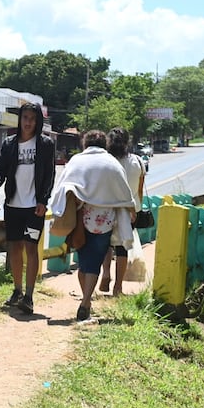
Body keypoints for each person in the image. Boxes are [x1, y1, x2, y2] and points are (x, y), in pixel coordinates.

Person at [50, 130, 135, 321]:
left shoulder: (76, 161)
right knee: (95, 262)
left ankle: (86, 300)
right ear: (104, 144)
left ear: (85, 143)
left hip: (81, 219)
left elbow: (62, 187)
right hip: (104, 221)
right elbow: (124, 193)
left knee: (83, 262)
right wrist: (131, 209)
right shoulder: (112, 163)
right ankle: (86, 300)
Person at [0, 102, 55, 314]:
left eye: (32, 119)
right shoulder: (9, 144)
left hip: (34, 207)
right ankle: (17, 290)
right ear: (20, 120)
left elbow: (49, 175)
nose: (28, 122)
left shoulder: (45, 144)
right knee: (15, 248)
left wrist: (43, 200)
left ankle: (28, 295)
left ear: (37, 122)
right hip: (13, 205)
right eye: (25, 118)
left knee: (30, 247)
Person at [98, 127, 145, 296]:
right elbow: (139, 191)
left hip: (107, 208)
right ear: (127, 143)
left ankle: (105, 274)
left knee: (106, 243)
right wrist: (136, 209)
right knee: (122, 248)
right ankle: (118, 287)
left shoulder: (105, 161)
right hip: (129, 211)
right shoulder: (138, 162)